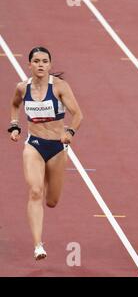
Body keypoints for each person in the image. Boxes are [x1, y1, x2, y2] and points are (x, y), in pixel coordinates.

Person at [8, 47, 83, 260]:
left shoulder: (60, 87)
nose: (40, 65)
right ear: (29, 65)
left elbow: (77, 114)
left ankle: (49, 186)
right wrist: (14, 126)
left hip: (57, 148)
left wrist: (69, 131)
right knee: (34, 191)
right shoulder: (22, 88)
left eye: (44, 61)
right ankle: (38, 245)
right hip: (34, 145)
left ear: (50, 65)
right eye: (36, 61)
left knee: (51, 201)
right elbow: (14, 106)